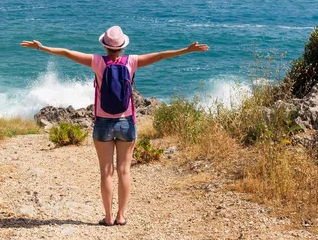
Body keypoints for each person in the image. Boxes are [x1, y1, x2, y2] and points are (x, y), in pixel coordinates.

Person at [21, 26, 209, 226]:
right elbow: (161, 55)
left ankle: (108, 217)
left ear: (105, 45)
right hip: (126, 122)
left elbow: (67, 53)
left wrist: (42, 47)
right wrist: (186, 50)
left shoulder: (97, 61)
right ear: (122, 47)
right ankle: (121, 216)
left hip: (103, 123)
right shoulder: (132, 62)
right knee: (124, 171)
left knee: (106, 172)